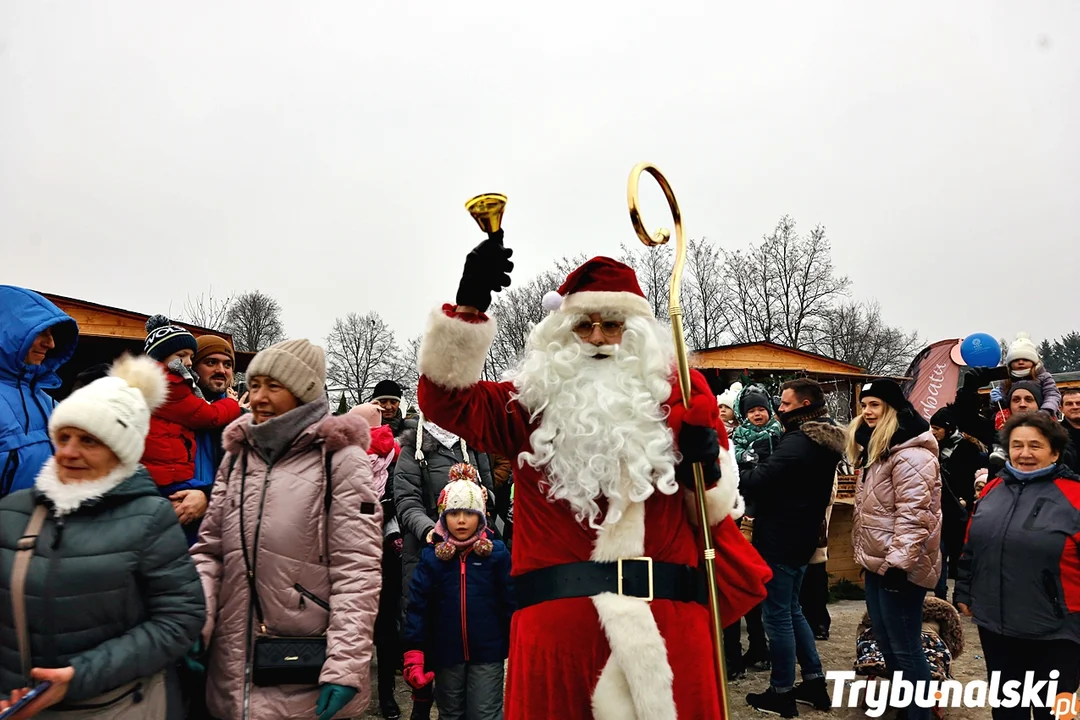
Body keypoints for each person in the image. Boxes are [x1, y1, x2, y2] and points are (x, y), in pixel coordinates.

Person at [416, 243, 771, 719]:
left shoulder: (683, 394)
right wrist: (468, 311)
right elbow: (446, 404)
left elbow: (711, 514)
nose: (599, 337)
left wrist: (704, 468)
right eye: (584, 324)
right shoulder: (526, 405)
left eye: (613, 324)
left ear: (638, 332)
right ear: (563, 334)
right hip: (557, 635)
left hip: (665, 631)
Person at [0, 354, 204, 717]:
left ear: (121, 451)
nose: (69, 452)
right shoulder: (14, 511)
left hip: (115, 706)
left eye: (90, 441)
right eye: (63, 437)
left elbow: (180, 619)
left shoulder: (149, 517)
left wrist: (79, 677)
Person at [191, 338, 383, 720]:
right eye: (255, 384)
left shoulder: (340, 461)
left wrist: (345, 666)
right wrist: (195, 620)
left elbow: (357, 572)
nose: (257, 396)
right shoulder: (238, 456)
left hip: (303, 666)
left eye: (273, 387)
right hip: (231, 665)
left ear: (303, 393)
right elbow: (210, 550)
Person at [955, 411, 1080, 720]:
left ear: (1054, 451)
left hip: (1057, 629)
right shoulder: (992, 489)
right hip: (996, 625)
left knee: (1052, 711)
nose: (1024, 453)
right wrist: (965, 591)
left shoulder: (1075, 496)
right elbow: (972, 545)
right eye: (1017, 445)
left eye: (1035, 446)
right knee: (1008, 708)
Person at [740, 378, 844, 716]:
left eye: (784, 404)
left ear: (802, 405)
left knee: (777, 616)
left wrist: (737, 468)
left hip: (781, 539)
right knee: (793, 609)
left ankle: (781, 690)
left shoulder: (799, 442)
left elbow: (758, 481)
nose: (778, 409)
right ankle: (814, 683)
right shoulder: (819, 439)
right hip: (801, 537)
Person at [848, 379, 942, 720]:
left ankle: (920, 715)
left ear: (892, 408)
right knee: (888, 645)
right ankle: (907, 709)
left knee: (905, 648)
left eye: (875, 405)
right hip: (879, 564)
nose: (868, 412)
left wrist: (898, 565)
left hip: (901, 569)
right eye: (864, 405)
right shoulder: (880, 449)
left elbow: (915, 515)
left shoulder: (911, 454)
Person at [393, 412, 496, 720]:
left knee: (464, 629)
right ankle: (423, 698)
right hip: (429, 553)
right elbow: (406, 501)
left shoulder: (474, 447)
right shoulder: (414, 450)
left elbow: (492, 496)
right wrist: (432, 531)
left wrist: (476, 495)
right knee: (426, 627)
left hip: (474, 553)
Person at [402, 471, 514, 720]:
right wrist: (415, 651)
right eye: (453, 513)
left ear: (482, 517)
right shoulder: (433, 558)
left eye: (469, 513)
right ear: (443, 517)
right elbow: (418, 608)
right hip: (446, 653)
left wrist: (517, 641)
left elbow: (511, 601)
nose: (461, 520)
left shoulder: (495, 555)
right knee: (451, 713)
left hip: (488, 653)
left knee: (485, 713)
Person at [140, 316, 242, 545]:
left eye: (227, 365)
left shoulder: (241, 422)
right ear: (191, 368)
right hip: (164, 521)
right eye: (211, 362)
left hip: (220, 531)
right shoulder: (160, 408)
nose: (221, 370)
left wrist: (206, 496)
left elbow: (250, 484)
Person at [0, 286, 78, 499]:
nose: (51, 344)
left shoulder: (50, 404)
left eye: (52, 334)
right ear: (7, 331)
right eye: (41, 332)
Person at [352, 403, 404, 720]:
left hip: (378, 547)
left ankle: (381, 695)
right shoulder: (343, 457)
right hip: (369, 550)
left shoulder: (394, 458)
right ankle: (379, 696)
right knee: (377, 626)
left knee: (379, 627)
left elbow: (397, 499)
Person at [929, 405, 986, 602]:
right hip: (941, 508)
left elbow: (976, 478)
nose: (934, 432)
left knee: (959, 556)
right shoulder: (931, 449)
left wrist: (967, 498)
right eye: (932, 427)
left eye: (937, 428)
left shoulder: (968, 449)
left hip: (962, 510)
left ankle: (960, 597)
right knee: (939, 554)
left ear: (949, 428)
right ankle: (940, 597)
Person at [988, 333, 1061, 416]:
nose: (1021, 362)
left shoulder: (1043, 377)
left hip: (1042, 417)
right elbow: (1003, 401)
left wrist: (1047, 410)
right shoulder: (1006, 380)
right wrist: (998, 401)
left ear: (1033, 361)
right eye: (1016, 360)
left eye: (1025, 359)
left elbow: (1052, 394)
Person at [1061, 387, 1080, 474]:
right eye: (1069, 404)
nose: (1075, 407)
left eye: (1078, 403)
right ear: (1061, 409)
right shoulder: (1055, 434)